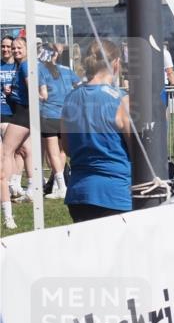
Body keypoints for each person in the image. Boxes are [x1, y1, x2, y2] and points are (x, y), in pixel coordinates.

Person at [59, 40, 132, 224]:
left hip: (79, 194)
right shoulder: (122, 100)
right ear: (116, 63)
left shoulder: (70, 99)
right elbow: (137, 151)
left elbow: (67, 148)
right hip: (116, 193)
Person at [1, 37, 40, 226]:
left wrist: (38, 98)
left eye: (19, 48)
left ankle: (7, 185)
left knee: (7, 152)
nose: (15, 51)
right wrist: (13, 91)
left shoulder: (24, 65)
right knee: (26, 149)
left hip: (24, 113)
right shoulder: (23, 65)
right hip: (24, 112)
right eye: (14, 48)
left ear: (27, 48)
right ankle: (30, 187)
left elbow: (33, 89)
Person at [38, 44, 81, 199]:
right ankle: (58, 186)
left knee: (53, 153)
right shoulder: (67, 70)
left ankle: (61, 186)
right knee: (62, 151)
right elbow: (79, 86)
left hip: (49, 114)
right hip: (67, 114)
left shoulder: (40, 70)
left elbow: (44, 95)